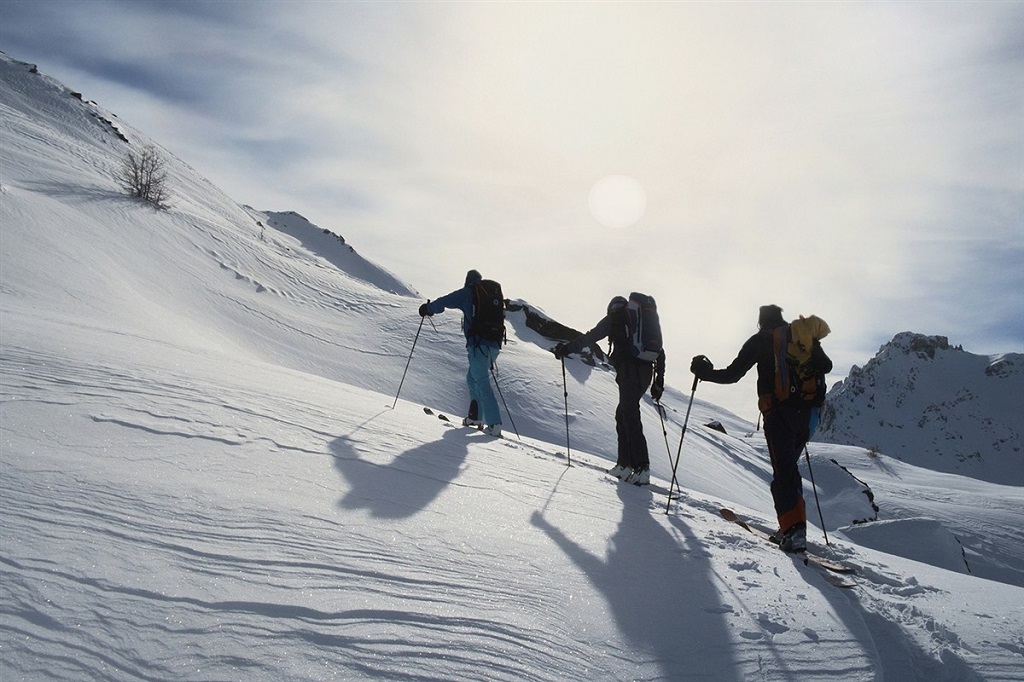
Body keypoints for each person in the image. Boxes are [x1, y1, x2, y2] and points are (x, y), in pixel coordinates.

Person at [689, 304, 832, 553]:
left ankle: (794, 531)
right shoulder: (801, 338)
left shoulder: (760, 340)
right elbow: (826, 365)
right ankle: (791, 526)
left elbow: (732, 374)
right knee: (789, 468)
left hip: (780, 414)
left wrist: (704, 373)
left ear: (761, 321)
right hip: (810, 415)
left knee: (783, 471)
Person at [554, 296, 666, 485]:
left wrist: (567, 349)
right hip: (646, 373)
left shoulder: (615, 319)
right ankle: (625, 465)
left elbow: (591, 336)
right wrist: (659, 381)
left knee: (629, 415)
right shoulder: (639, 324)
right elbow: (661, 352)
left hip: (629, 371)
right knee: (623, 414)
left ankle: (641, 467)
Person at [419, 270, 503, 437]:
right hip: (494, 346)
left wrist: (428, 308)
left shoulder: (468, 292)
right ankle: (475, 418)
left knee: (481, 381)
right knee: (472, 378)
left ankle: (494, 424)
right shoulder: (490, 295)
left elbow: (445, 301)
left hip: (478, 346)